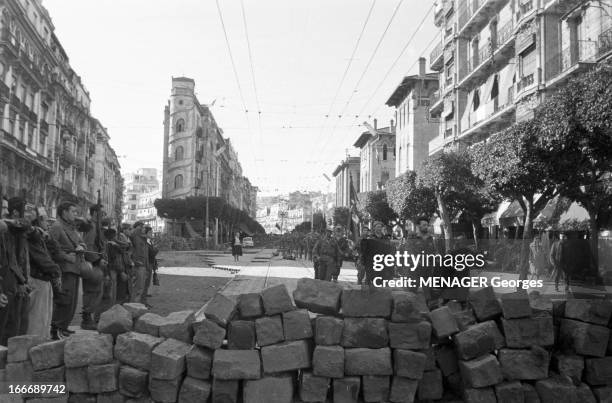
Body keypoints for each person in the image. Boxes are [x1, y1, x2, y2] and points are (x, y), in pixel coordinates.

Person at [49, 201, 86, 337]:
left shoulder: (71, 227)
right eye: (73, 211)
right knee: (64, 300)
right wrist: (67, 256)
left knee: (72, 300)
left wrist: (82, 247)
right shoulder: (57, 226)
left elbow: (81, 242)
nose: (75, 214)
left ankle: (64, 326)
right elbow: (52, 248)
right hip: (64, 268)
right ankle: (56, 328)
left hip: (74, 267)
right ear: (64, 212)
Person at [26, 207, 62, 338]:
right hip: (37, 280)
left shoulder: (41, 236)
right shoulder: (33, 238)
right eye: (45, 220)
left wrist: (47, 236)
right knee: (37, 320)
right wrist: (56, 270)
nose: (48, 223)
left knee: (44, 319)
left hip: (44, 281)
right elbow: (43, 260)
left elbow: (55, 250)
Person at [81, 205, 108, 329]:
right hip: (93, 264)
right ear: (95, 214)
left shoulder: (97, 227)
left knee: (97, 291)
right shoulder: (92, 227)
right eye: (101, 213)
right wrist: (97, 261)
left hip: (97, 263)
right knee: (92, 292)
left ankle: (89, 318)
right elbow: (88, 246)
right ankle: (86, 319)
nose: (103, 215)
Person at [361, 221, 395, 286]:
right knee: (371, 283)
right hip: (372, 263)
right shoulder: (369, 238)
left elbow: (389, 250)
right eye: (378, 227)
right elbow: (364, 251)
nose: (379, 228)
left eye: (380, 227)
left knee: (382, 282)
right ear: (374, 228)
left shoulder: (386, 239)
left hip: (382, 263)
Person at [130, 221, 149, 305]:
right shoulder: (135, 236)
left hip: (143, 263)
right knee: (138, 287)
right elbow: (136, 251)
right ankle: (134, 306)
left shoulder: (141, 238)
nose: (143, 229)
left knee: (140, 287)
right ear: (138, 227)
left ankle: (136, 305)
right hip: (139, 264)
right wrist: (137, 261)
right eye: (141, 227)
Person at [143, 226, 158, 306]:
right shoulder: (146, 242)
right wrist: (155, 249)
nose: (152, 234)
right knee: (145, 284)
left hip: (150, 263)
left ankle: (144, 301)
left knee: (147, 284)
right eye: (150, 232)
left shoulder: (149, 241)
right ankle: (143, 302)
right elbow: (151, 253)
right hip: (147, 263)